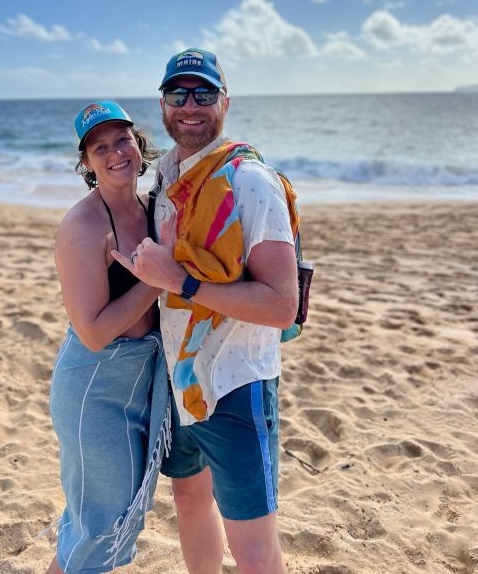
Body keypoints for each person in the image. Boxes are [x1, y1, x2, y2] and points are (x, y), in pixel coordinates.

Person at [112, 50, 299, 574]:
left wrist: (180, 280)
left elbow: (282, 305)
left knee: (254, 546)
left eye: (204, 93)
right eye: (178, 94)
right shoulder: (167, 177)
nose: (190, 105)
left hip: (236, 382)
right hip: (180, 378)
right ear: (163, 106)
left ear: (225, 103)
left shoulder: (250, 181)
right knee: (190, 500)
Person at [47, 101, 170, 574]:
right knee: (97, 523)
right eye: (100, 148)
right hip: (94, 387)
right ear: (87, 163)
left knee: (111, 517)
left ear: (138, 144)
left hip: (145, 378)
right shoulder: (83, 226)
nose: (115, 152)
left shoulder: (156, 209)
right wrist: (160, 279)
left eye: (122, 139)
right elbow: (94, 332)